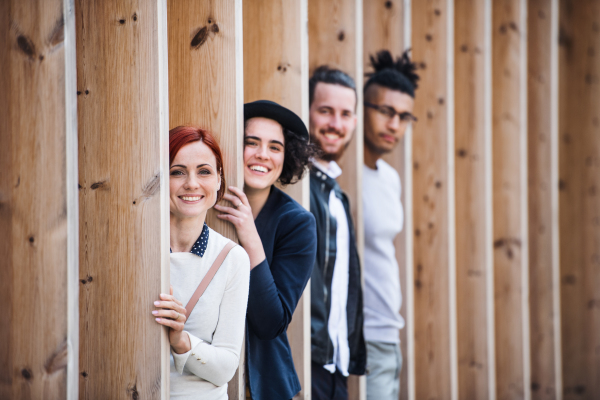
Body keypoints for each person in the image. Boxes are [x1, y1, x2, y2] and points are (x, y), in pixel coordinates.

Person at [215, 100, 318, 400]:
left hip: (260, 387)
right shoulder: (204, 201)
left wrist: (249, 234)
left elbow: (269, 322)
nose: (262, 154)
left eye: (275, 147)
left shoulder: (298, 224)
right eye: (251, 142)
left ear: (287, 158)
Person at [153, 126, 250, 400]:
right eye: (177, 171)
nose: (192, 183)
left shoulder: (232, 258)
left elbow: (226, 369)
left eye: (204, 171)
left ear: (219, 180)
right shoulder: (136, 254)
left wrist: (181, 341)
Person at [362, 50, 419, 400]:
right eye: (385, 111)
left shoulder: (390, 178)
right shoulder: (341, 179)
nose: (394, 124)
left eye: (404, 116)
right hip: (361, 339)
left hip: (389, 335)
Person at [308, 66, 366, 400]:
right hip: (310, 361)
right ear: (308, 112)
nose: (336, 124)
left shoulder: (335, 192)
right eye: (326, 111)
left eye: (346, 114)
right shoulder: (298, 187)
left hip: (336, 364)